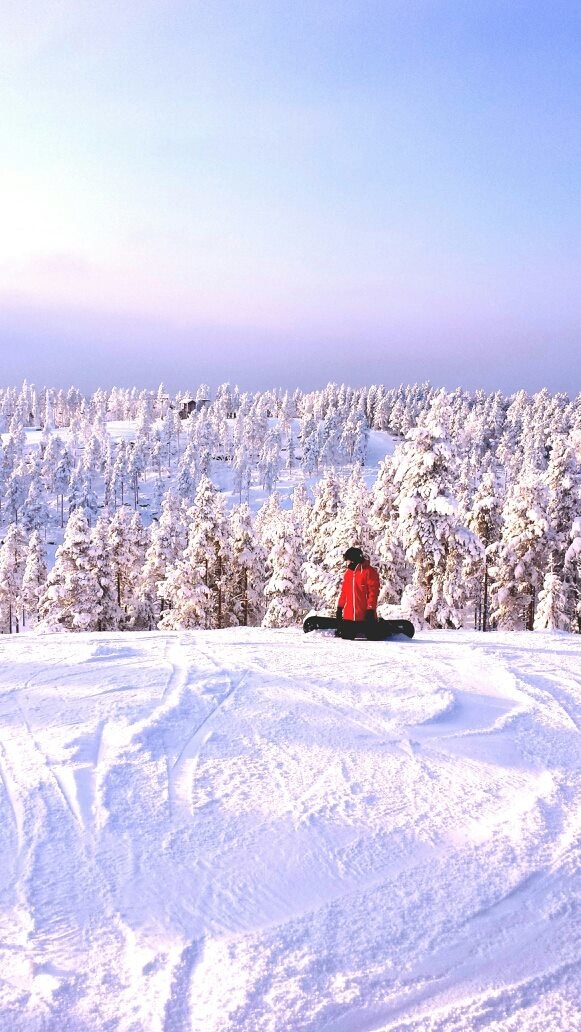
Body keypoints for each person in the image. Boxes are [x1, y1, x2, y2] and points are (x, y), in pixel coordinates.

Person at [336, 547, 380, 638]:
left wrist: (370, 609)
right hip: (349, 618)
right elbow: (344, 593)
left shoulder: (369, 572)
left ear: (354, 560)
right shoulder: (348, 574)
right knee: (345, 636)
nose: (347, 563)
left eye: (348, 561)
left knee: (373, 637)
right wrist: (340, 607)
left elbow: (373, 592)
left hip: (365, 616)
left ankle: (382, 626)